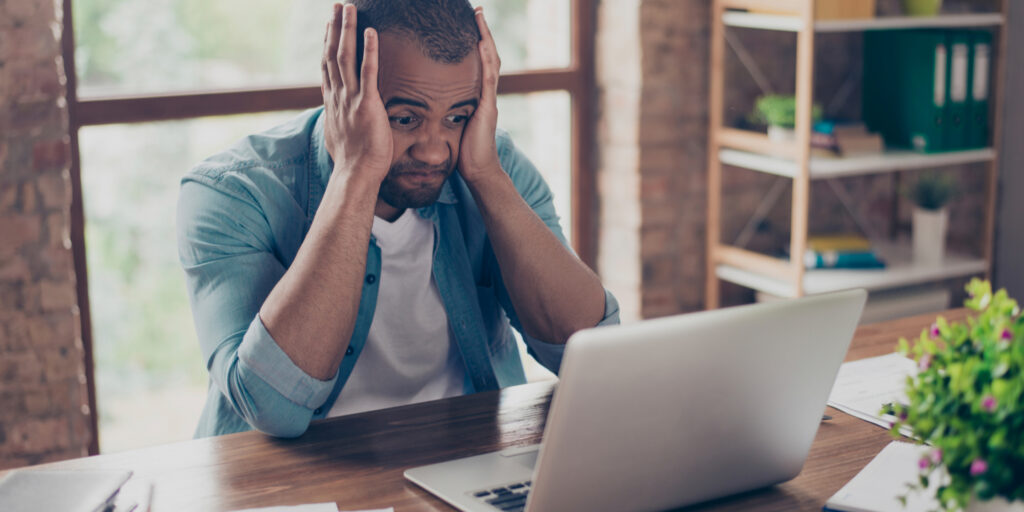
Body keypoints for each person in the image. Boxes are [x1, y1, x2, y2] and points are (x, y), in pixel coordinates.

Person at [176, 0, 619, 438]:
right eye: (405, 118)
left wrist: (486, 177)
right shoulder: (231, 193)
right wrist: (355, 175)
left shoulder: (491, 164)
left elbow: (592, 355)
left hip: (462, 463)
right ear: (340, 87)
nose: (434, 150)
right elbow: (273, 410)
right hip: (293, 486)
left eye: (457, 117)